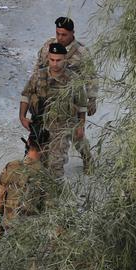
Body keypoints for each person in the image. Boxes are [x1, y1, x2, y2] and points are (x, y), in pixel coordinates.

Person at [35, 16, 97, 171]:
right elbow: (39, 67)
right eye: (58, 34)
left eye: (64, 35)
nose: (60, 38)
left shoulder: (82, 52)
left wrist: (91, 99)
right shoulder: (49, 45)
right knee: (46, 132)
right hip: (49, 99)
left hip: (72, 101)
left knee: (77, 134)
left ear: (72, 33)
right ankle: (46, 163)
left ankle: (87, 158)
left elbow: (90, 77)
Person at [20, 42, 88, 178]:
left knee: (55, 163)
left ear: (65, 60)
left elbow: (81, 105)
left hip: (63, 126)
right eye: (52, 60)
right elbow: (26, 95)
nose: (55, 63)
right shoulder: (38, 76)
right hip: (41, 124)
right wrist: (22, 117)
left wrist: (81, 125)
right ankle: (40, 191)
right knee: (34, 161)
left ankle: (55, 192)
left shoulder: (73, 79)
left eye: (58, 60)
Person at [0, 134, 46, 237]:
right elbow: (48, 207)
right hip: (31, 228)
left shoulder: (11, 167)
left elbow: (0, 196)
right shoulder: (44, 175)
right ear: (45, 147)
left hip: (10, 223)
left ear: (28, 143)